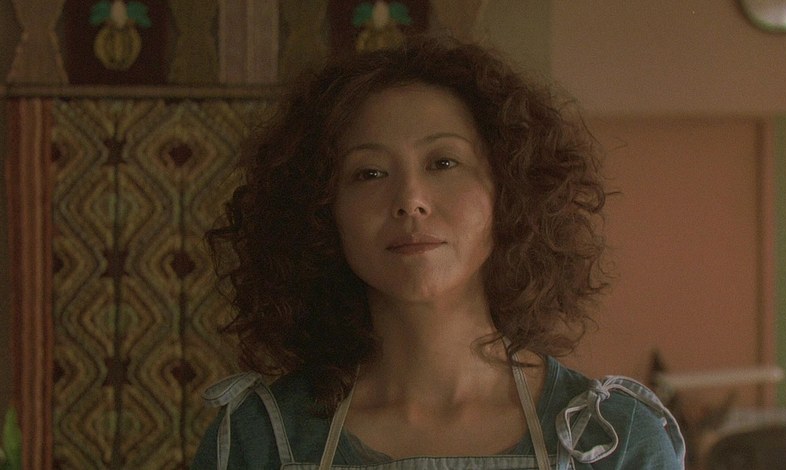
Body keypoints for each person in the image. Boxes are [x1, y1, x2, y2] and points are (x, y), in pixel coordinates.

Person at [192, 34, 685, 469]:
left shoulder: (614, 442)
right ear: (321, 211)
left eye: (443, 162)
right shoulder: (259, 441)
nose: (410, 200)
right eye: (369, 173)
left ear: (510, 191)